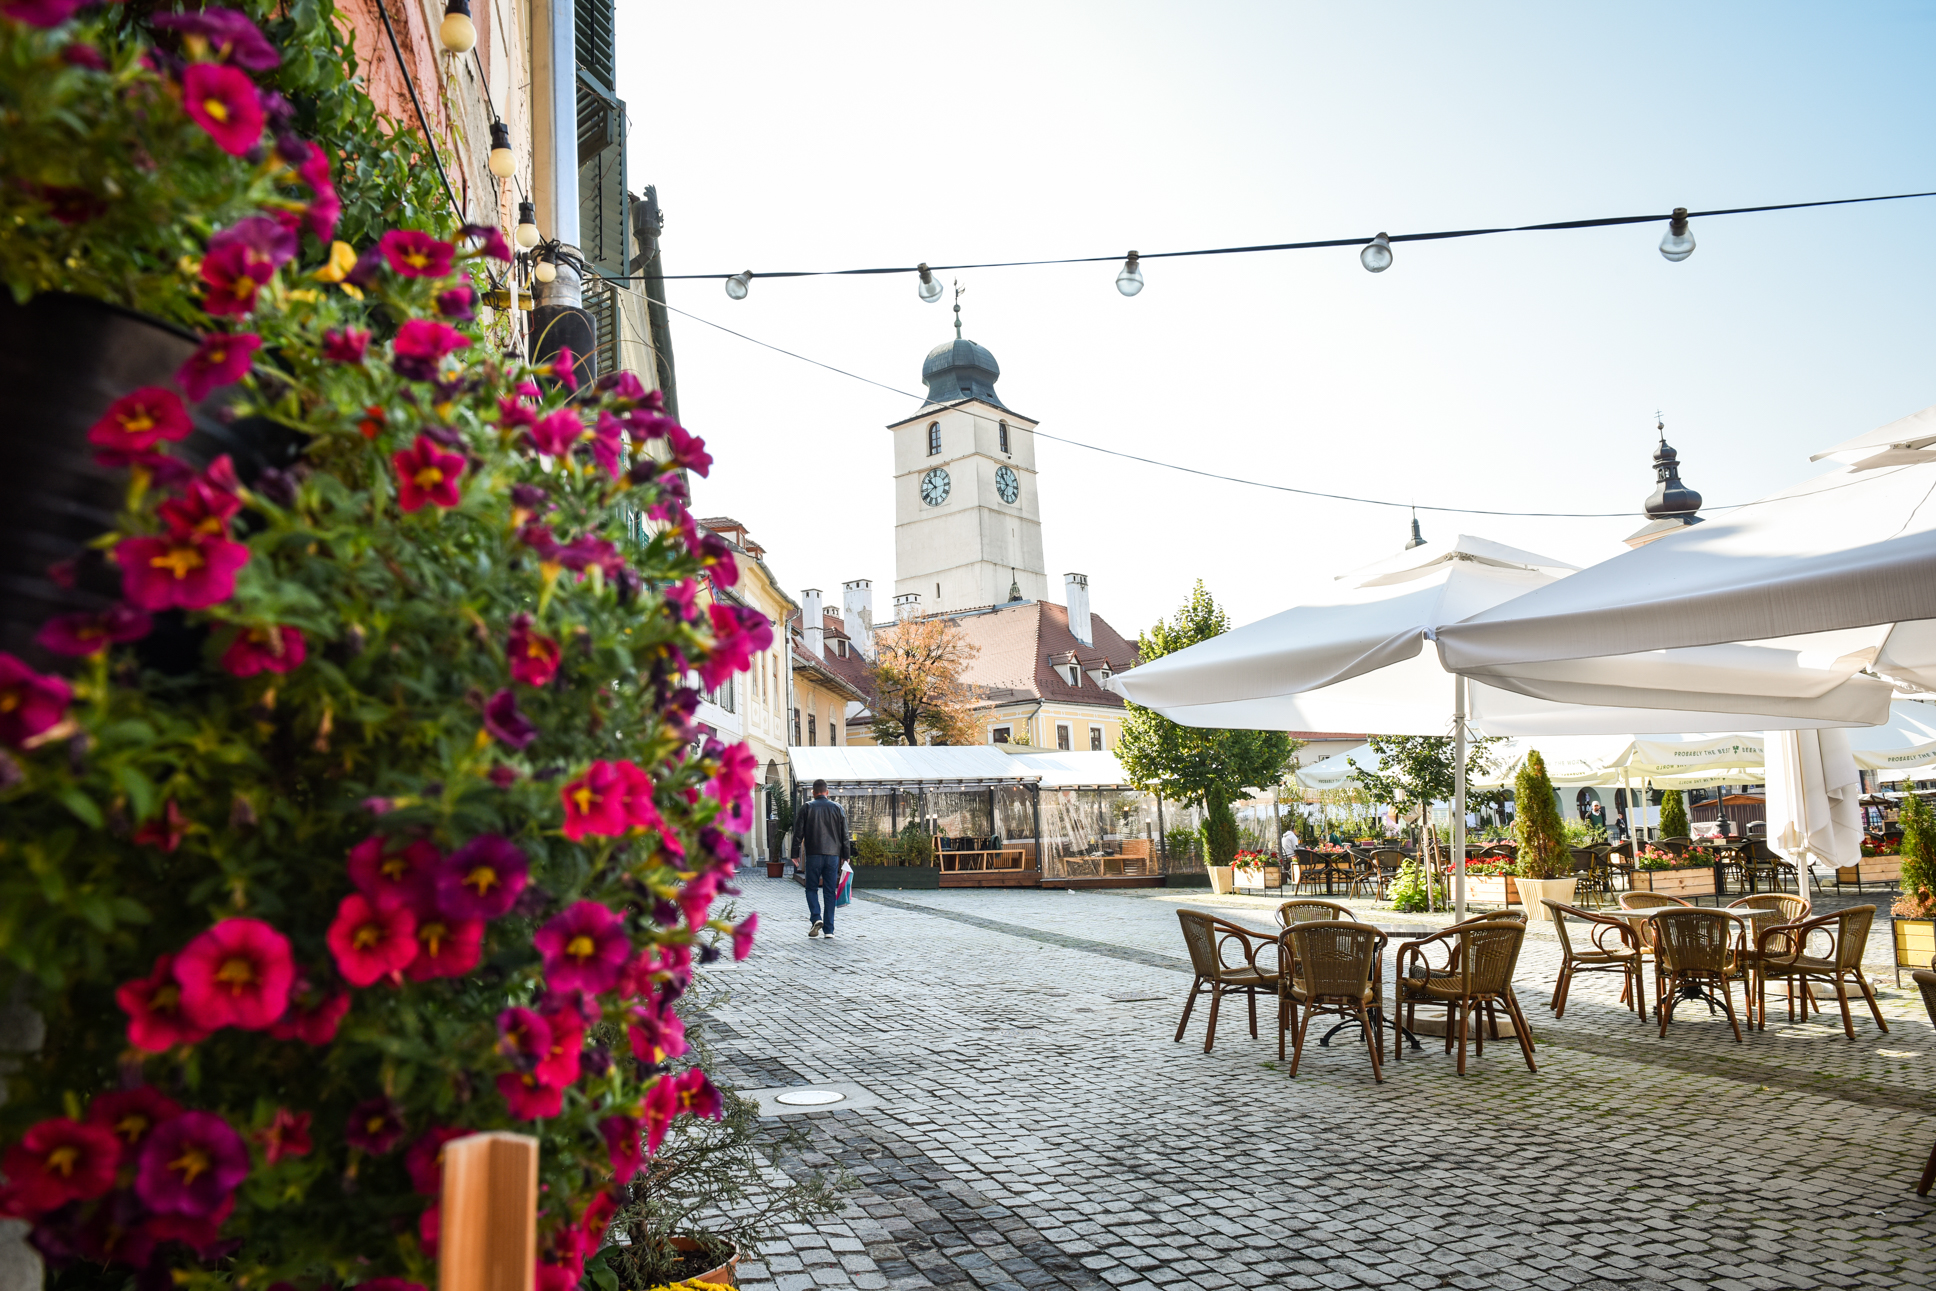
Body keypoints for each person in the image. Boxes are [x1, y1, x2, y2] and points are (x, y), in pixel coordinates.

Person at [790, 779, 850, 939]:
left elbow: (798, 833)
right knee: (830, 891)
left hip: (813, 854)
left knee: (811, 888)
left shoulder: (807, 807)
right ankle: (829, 930)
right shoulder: (838, 808)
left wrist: (794, 854)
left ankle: (816, 917)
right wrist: (846, 855)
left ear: (813, 792)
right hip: (832, 857)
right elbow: (845, 834)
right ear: (827, 792)